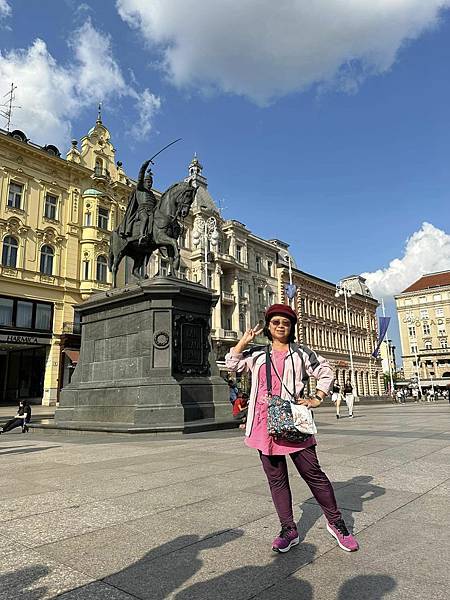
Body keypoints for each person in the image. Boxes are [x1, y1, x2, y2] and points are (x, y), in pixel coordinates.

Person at [225, 303, 358, 554]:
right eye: (275, 322)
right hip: (264, 424)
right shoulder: (256, 353)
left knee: (313, 474)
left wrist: (317, 397)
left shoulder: (301, 353)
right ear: (268, 326)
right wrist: (243, 342)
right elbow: (232, 364)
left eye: (285, 322)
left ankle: (336, 522)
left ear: (292, 327)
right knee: (276, 479)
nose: (280, 326)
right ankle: (289, 529)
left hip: (295, 420)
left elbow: (326, 371)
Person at [118, 159, 158, 244]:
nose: (150, 184)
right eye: (148, 182)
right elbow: (140, 176)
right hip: (142, 211)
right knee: (145, 218)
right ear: (144, 182)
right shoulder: (140, 188)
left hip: (151, 212)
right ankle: (141, 235)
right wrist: (144, 165)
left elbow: (157, 205)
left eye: (151, 182)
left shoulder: (151, 194)